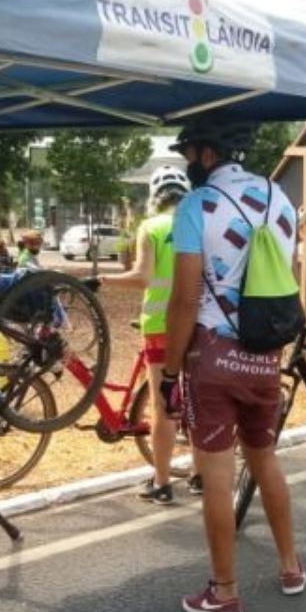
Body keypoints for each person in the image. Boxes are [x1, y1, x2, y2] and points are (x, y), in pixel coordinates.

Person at [163, 117, 306, 612]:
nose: (187, 163)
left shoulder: (194, 207)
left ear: (206, 153)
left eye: (189, 154)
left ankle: (224, 592)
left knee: (218, 477)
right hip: (264, 355)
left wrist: (168, 370)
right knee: (266, 459)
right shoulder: (280, 198)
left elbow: (183, 299)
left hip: (215, 355)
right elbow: (286, 277)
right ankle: (291, 567)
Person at [102, 165, 201, 503]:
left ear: (155, 198)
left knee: (165, 406)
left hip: (160, 328)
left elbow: (143, 277)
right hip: (199, 326)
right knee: (198, 403)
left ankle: (162, 483)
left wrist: (105, 280)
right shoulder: (199, 225)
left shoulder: (151, 227)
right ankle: (200, 476)